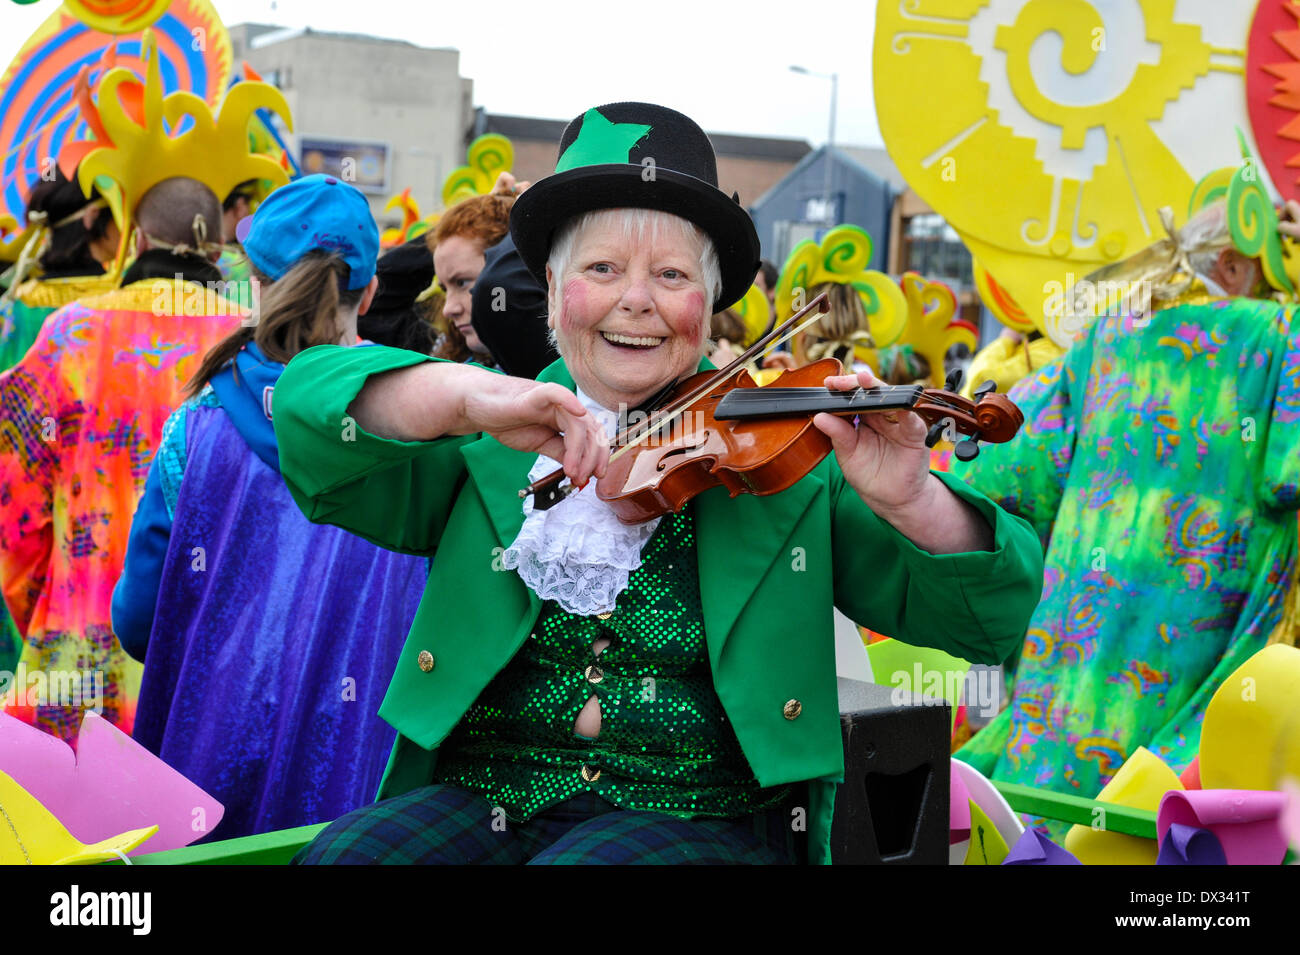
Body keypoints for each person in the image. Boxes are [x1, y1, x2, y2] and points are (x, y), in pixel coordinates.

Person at [273, 102, 1043, 865]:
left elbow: (992, 622)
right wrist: (466, 396)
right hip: (485, 797)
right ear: (551, 283)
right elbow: (308, 416)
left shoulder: (790, 452)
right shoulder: (490, 430)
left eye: (670, 274)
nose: (635, 299)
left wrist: (910, 497)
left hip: (708, 817)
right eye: (602, 268)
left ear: (708, 306)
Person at [953, 195, 1300, 827]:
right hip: (1194, 660)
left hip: (1071, 655)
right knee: (1155, 836)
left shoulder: (1108, 339)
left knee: (1044, 817)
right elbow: (1287, 475)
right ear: (1230, 263)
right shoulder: (1278, 337)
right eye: (1273, 268)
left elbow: (1002, 470)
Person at [112, 174, 428, 839]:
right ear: (368, 292)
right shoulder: (416, 427)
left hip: (205, 758)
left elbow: (138, 619)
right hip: (356, 772)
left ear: (252, 278)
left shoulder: (196, 426)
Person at [0, 176, 242, 741]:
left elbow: (15, 512)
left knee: (60, 824)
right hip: (209, 664)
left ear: (134, 242)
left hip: (76, 659)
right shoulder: (251, 343)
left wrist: (50, 602)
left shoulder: (70, 334)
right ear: (218, 253)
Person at [429, 192, 515, 365]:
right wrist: (491, 204)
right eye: (445, 289)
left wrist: (521, 219)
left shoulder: (558, 371)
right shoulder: (452, 356)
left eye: (461, 283)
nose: (448, 309)